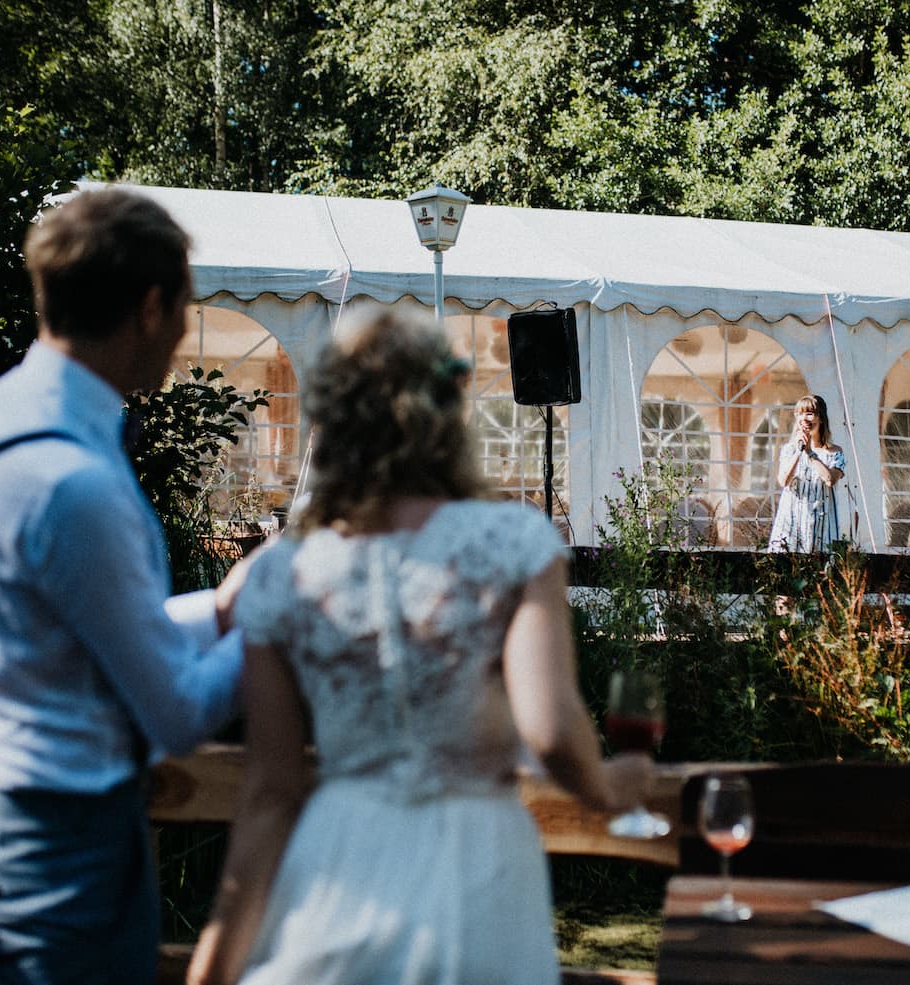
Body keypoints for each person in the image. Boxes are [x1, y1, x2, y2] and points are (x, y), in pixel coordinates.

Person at [186, 311, 653, 985]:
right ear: (445, 410)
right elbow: (550, 731)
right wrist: (608, 787)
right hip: (479, 863)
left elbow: (270, 793)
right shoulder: (511, 543)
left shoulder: (283, 573)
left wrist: (211, 971)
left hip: (339, 856)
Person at [0, 188, 246, 985]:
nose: (184, 331)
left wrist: (219, 609)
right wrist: (270, 617)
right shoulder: (76, 485)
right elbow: (177, 714)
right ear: (149, 307)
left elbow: (70, 639)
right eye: (184, 306)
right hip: (66, 835)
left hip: (4, 803)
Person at [767, 394, 847, 552]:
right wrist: (799, 451)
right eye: (800, 414)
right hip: (791, 523)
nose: (804, 419)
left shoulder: (835, 452)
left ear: (821, 418)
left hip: (822, 525)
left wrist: (810, 453)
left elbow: (830, 479)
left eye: (809, 413)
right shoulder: (789, 450)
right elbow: (783, 481)